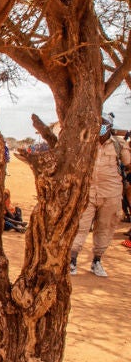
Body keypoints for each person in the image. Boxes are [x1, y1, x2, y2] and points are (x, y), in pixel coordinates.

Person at [69, 112, 131, 277]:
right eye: (99, 122)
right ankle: (72, 260)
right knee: (81, 226)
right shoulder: (86, 142)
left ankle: (97, 261)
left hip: (111, 194)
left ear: (110, 126)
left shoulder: (119, 145)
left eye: (104, 123)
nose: (101, 126)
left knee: (105, 227)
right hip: (88, 192)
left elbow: (128, 164)